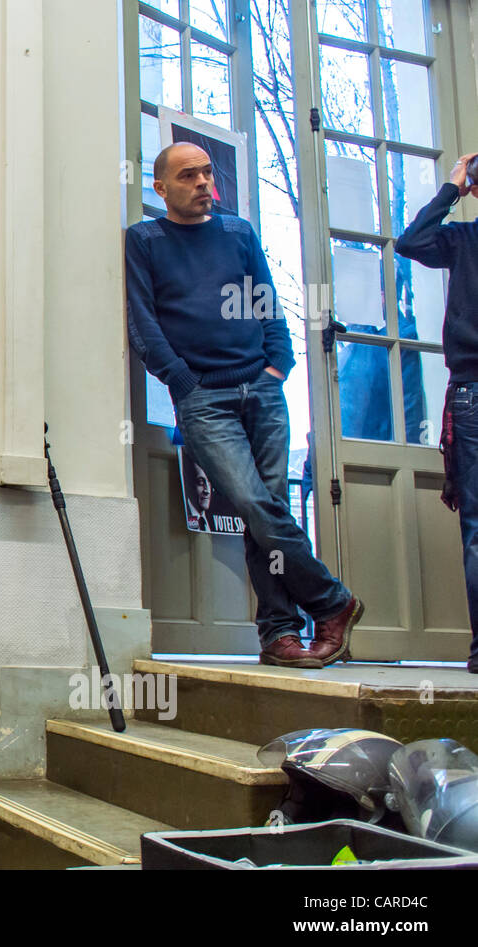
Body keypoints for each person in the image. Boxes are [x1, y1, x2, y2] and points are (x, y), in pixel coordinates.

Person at [126, 142, 363, 669]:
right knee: (256, 505)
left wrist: (278, 364)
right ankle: (332, 603)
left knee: (268, 511)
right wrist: (183, 383)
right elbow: (142, 323)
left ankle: (279, 634)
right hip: (204, 398)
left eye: (208, 172)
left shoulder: (238, 233)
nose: (204, 182)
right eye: (189, 175)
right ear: (161, 188)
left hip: (262, 389)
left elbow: (266, 300)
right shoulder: (144, 240)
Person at [395, 151, 478, 674]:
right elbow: (410, 243)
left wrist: (455, 188)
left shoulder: (465, 241)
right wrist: (454, 190)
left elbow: (413, 241)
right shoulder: (465, 242)